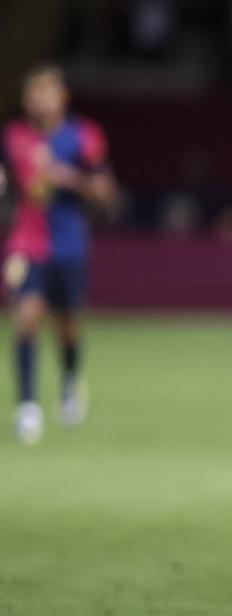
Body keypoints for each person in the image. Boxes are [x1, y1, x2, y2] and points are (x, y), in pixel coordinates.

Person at [1, 63, 117, 443]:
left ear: (62, 97)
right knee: (26, 315)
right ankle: (27, 406)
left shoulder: (83, 136)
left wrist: (68, 178)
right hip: (25, 242)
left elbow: (106, 193)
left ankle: (69, 378)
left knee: (66, 324)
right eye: (33, 93)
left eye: (46, 92)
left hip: (68, 243)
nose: (39, 100)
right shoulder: (13, 136)